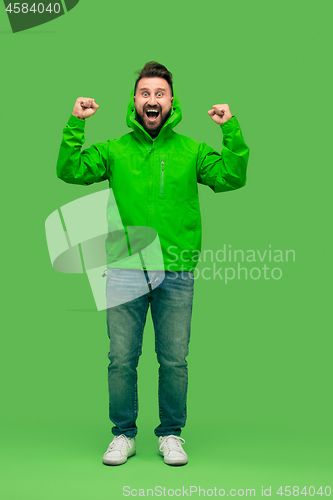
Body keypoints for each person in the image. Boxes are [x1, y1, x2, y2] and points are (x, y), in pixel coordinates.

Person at [56, 61, 250, 466]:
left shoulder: (191, 150)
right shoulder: (115, 150)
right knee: (121, 358)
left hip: (176, 272)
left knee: (174, 359)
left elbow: (232, 177)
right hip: (124, 269)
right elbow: (70, 170)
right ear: (135, 101)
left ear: (171, 102)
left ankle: (171, 434)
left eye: (159, 93)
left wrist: (229, 128)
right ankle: (123, 434)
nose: (152, 100)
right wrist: (77, 122)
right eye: (145, 93)